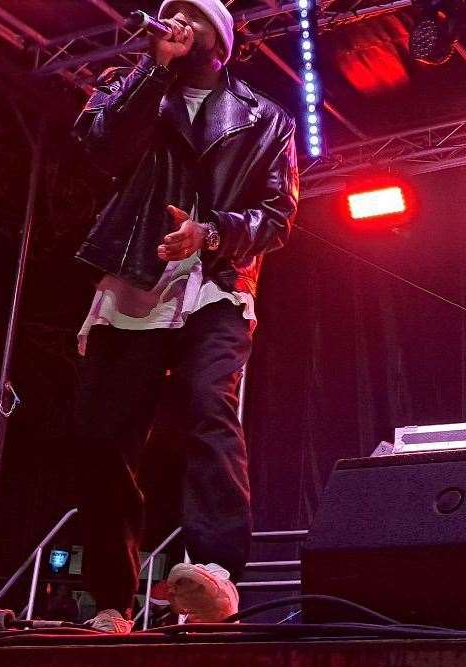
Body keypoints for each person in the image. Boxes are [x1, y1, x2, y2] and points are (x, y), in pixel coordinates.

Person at [71, 0, 299, 632]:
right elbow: (100, 150)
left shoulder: (267, 119)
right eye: (171, 14)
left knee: (208, 405)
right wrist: (149, 70)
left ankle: (216, 572)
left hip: (215, 282)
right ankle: (114, 598)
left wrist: (214, 234)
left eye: (194, 16)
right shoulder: (135, 88)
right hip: (136, 277)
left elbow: (277, 218)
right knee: (103, 434)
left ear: (221, 41)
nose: (177, 22)